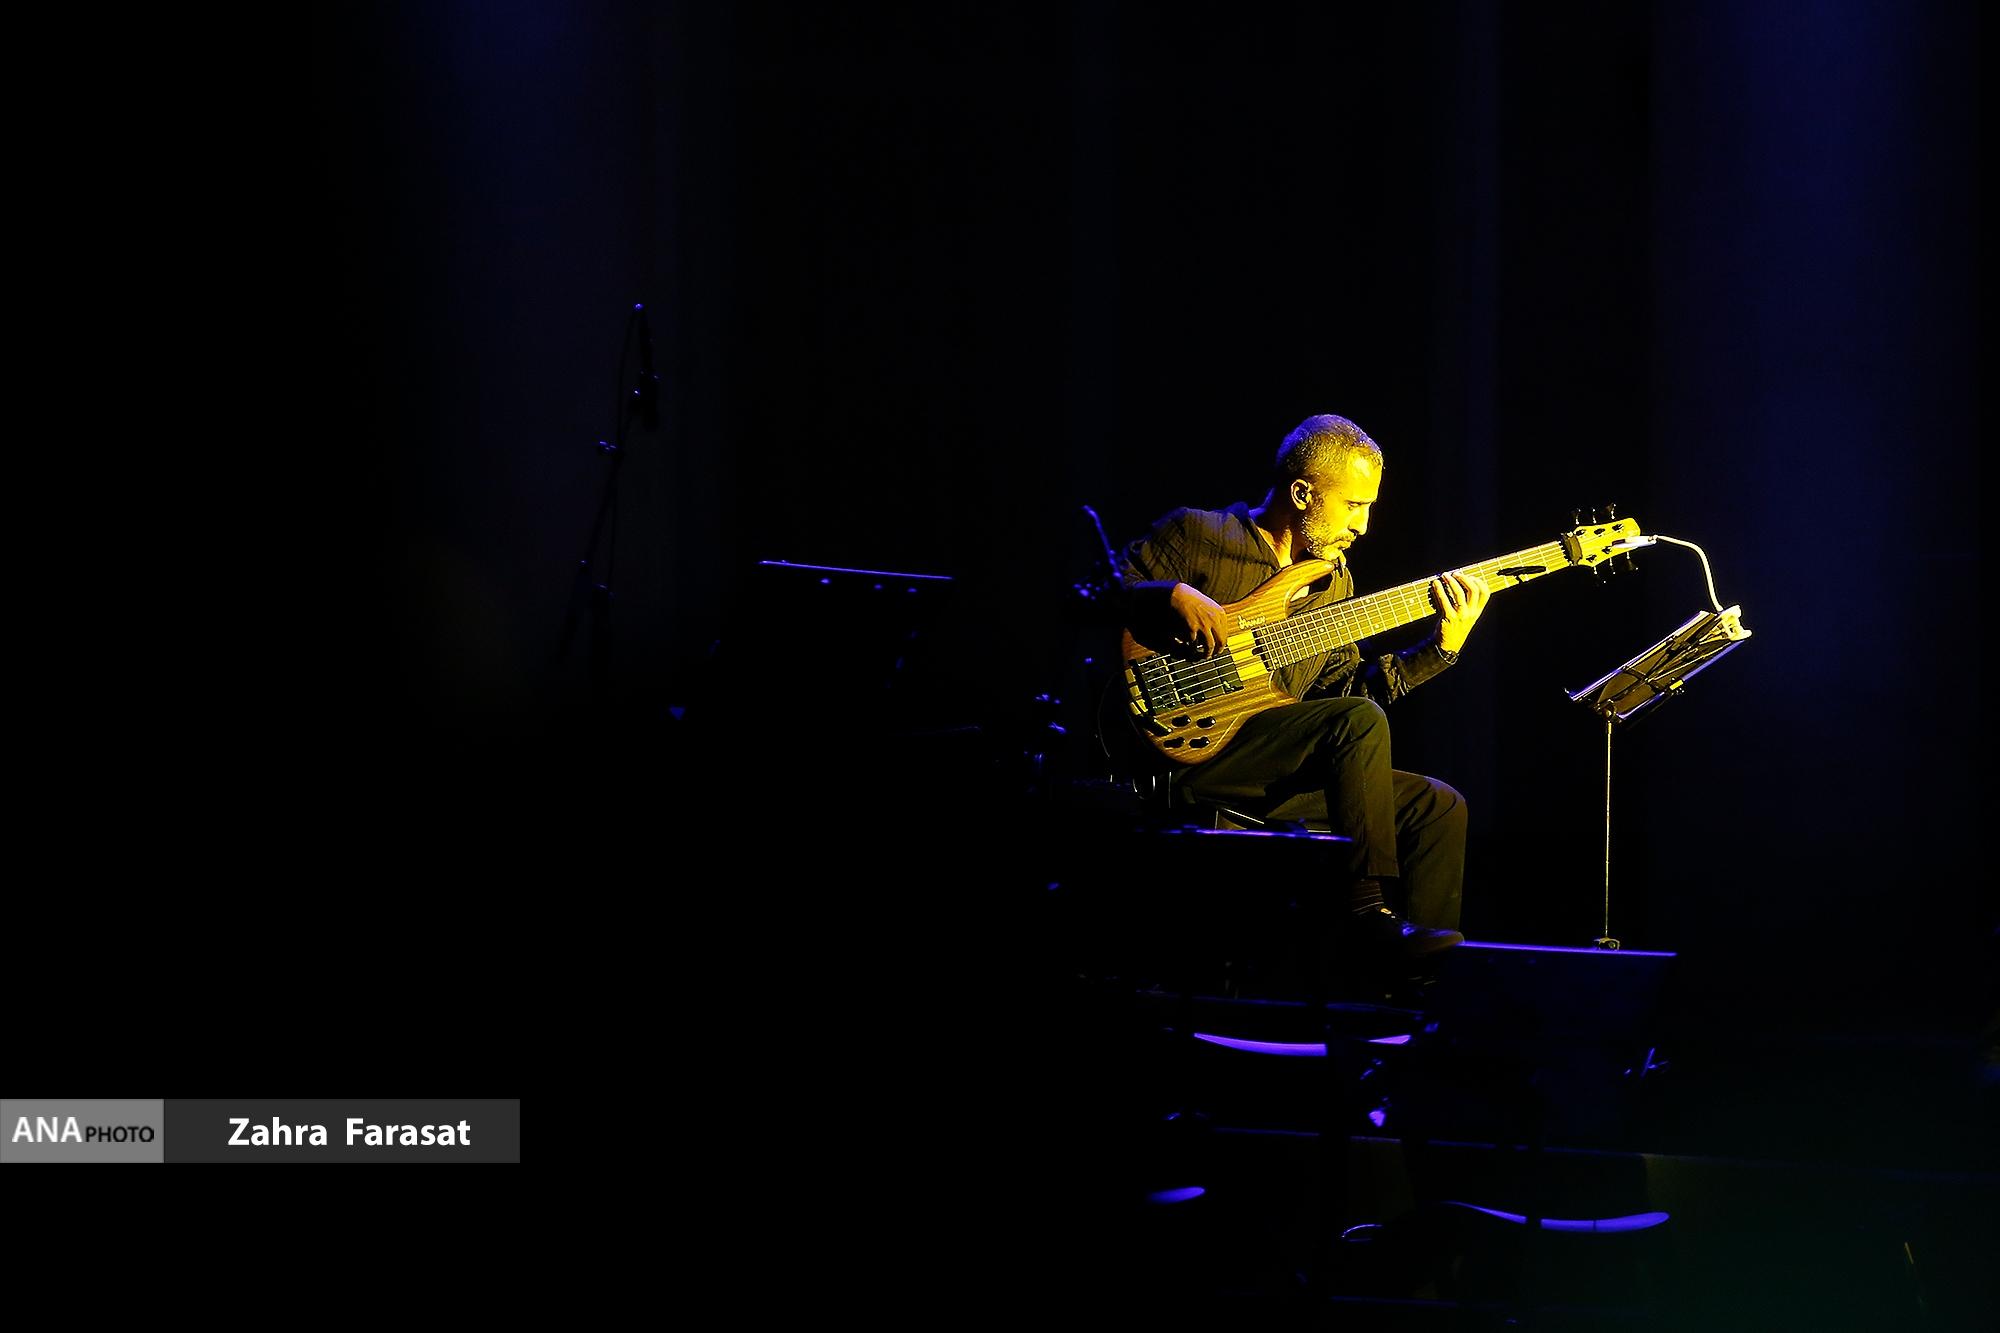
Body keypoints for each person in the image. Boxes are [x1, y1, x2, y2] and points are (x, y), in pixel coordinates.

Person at [1115, 413, 1490, 963]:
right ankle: (1367, 912)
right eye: (1354, 505)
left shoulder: (1332, 582)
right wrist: (1167, 593)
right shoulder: (1199, 534)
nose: (1364, 526)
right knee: (1356, 723)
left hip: (1267, 762)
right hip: (1183, 754)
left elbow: (1349, 699)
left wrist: (1440, 648)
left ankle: (1424, 982)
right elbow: (1091, 589)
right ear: (1301, 494)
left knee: (1436, 805)